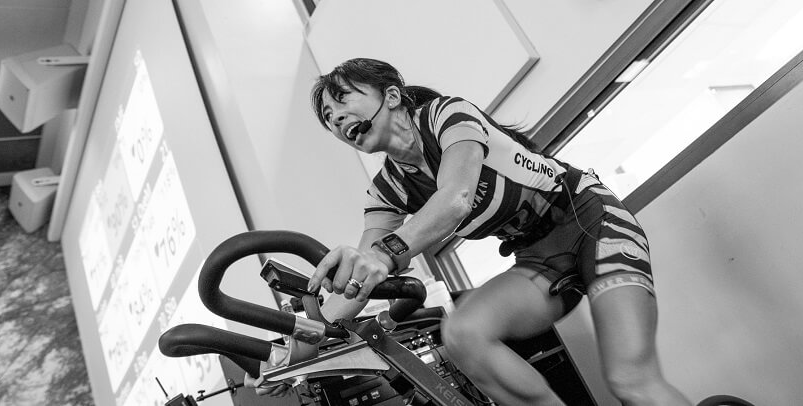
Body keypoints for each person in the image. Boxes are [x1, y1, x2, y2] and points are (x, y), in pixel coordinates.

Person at [270, 58, 690, 405]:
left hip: (590, 220)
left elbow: (456, 197)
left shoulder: (447, 115)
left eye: (342, 100)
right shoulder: (387, 188)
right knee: (464, 333)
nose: (338, 118)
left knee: (630, 380)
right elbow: (356, 280)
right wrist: (294, 353)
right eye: (329, 118)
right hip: (538, 256)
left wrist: (384, 254)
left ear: (392, 96)